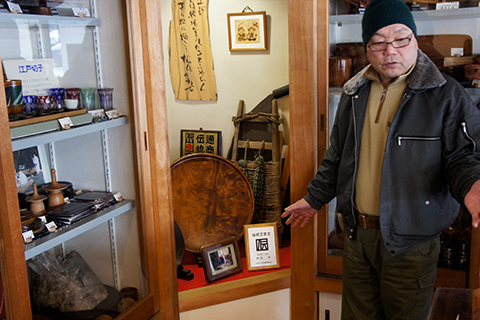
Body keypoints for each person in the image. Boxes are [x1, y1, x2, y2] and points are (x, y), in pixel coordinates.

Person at [281, 0, 480, 319]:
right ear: (366, 47)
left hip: (410, 241)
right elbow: (337, 155)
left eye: (401, 39)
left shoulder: (445, 94)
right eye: (378, 42)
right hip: (358, 237)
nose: (391, 51)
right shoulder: (354, 92)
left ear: (415, 40)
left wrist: (472, 184)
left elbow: (463, 156)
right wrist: (314, 198)